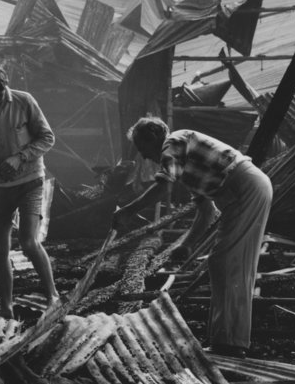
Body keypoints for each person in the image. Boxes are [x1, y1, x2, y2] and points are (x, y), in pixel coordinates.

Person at [112, 117, 272, 357]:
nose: (144, 156)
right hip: (245, 191)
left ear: (153, 137)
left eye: (142, 148)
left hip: (244, 189)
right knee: (228, 263)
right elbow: (207, 212)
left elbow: (164, 185)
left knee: (226, 262)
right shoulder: (187, 162)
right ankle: (228, 339)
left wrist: (128, 211)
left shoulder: (174, 141)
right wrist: (186, 245)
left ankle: (230, 343)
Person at [0, 60, 61, 320]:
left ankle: (53, 295)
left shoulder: (24, 101)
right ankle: (6, 306)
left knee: (28, 242)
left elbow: (47, 137)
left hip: (30, 181)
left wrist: (20, 157)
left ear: (5, 85)